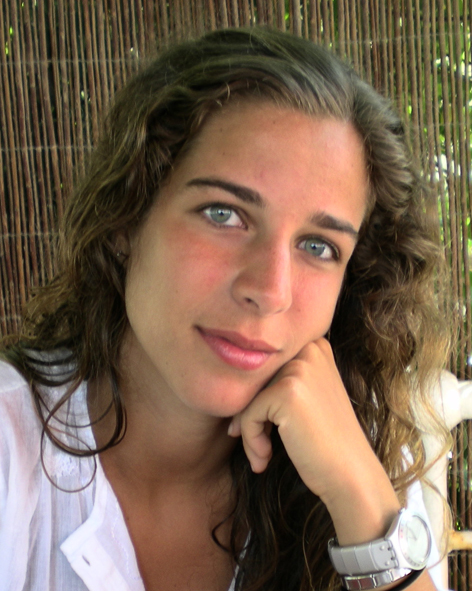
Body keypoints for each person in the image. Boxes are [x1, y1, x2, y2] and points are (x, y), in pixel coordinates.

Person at [0, 27, 450, 591]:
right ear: (126, 219)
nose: (270, 290)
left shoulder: (358, 451)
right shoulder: (10, 450)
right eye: (223, 214)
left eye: (318, 247)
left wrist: (357, 495)